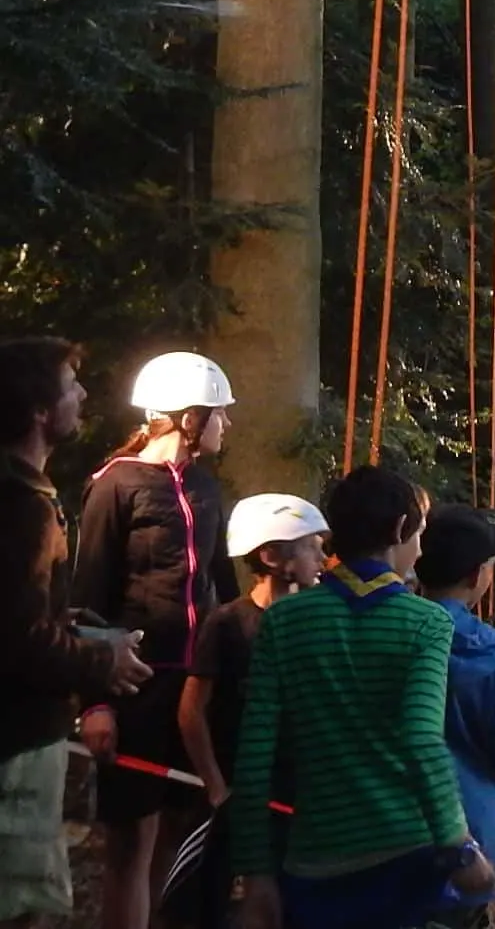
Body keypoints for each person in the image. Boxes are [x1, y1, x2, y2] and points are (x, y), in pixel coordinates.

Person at [230, 467, 493, 929]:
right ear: (398, 531)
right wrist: (460, 847)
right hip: (405, 863)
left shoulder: (284, 621)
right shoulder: (426, 624)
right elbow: (422, 739)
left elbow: (254, 756)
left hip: (312, 860)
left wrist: (256, 875)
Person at [73, 350, 237, 929]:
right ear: (189, 417)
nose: (228, 425)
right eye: (220, 413)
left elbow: (226, 586)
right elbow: (87, 594)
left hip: (197, 689)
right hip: (135, 685)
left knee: (180, 836)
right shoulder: (114, 485)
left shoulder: (207, 487)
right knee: (130, 846)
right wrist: (95, 703)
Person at [0, 337, 152, 928]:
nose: (83, 393)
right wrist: (101, 664)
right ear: (39, 411)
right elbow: (17, 640)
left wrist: (88, 635)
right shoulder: (21, 508)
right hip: (14, 752)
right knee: (26, 906)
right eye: (70, 385)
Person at [177, 495, 329, 929]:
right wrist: (216, 788)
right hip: (227, 798)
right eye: (311, 545)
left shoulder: (312, 621)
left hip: (289, 798)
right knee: (208, 903)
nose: (322, 556)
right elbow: (192, 712)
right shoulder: (226, 624)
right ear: (271, 555)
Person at [413, 505, 495, 925]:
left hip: (382, 835)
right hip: (471, 841)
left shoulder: (386, 630)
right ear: (474, 576)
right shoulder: (494, 653)